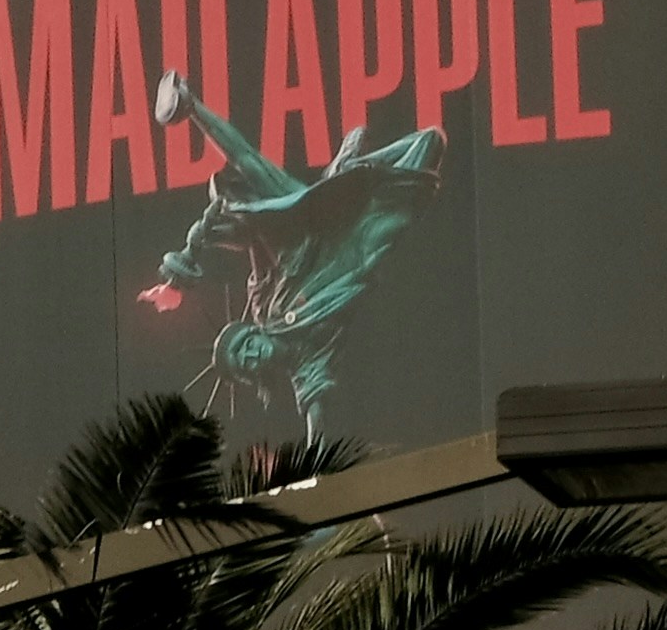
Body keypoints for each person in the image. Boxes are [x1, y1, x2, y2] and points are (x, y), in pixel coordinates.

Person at [136, 65, 446, 460]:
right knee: (427, 150)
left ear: (252, 330)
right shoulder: (305, 358)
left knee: (249, 165)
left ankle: (190, 104)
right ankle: (348, 173)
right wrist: (319, 471)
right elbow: (316, 407)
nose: (251, 355)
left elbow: (227, 217)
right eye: (246, 363)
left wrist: (180, 274)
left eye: (245, 346)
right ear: (257, 376)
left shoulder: (266, 301)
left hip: (298, 230)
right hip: (360, 241)